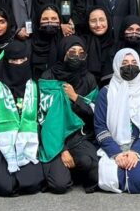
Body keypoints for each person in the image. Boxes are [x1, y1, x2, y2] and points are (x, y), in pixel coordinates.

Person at [37, 36, 100, 193]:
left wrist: (75, 98)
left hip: (79, 137)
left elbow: (94, 114)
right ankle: (62, 168)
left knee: (92, 168)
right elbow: (44, 119)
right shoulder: (48, 77)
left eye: (81, 53)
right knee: (59, 185)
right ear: (62, 53)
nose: (77, 57)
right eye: (72, 52)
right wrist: (63, 149)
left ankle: (74, 169)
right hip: (53, 137)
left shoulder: (88, 79)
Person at [94, 48, 140, 193]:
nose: (129, 66)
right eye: (124, 63)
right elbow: (100, 127)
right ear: (117, 66)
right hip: (113, 146)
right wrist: (116, 153)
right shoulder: (105, 92)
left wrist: (135, 152)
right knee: (112, 179)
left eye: (133, 62)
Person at [83, 6, 116, 85]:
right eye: (93, 21)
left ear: (108, 20)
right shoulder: (82, 43)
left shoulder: (117, 44)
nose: (98, 25)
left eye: (102, 20)